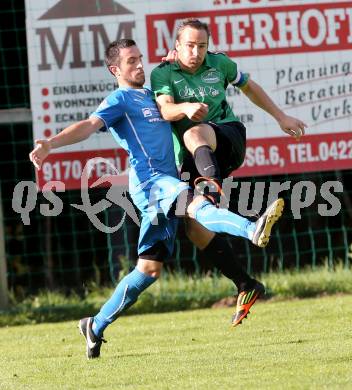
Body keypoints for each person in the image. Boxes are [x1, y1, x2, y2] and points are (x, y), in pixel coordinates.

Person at [29, 39, 284, 359]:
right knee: (197, 205)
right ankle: (251, 229)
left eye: (140, 58)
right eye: (130, 61)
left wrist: (173, 66)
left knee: (149, 269)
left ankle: (94, 324)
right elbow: (88, 126)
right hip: (152, 183)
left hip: (161, 184)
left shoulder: (153, 95)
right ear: (115, 70)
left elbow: (182, 92)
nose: (139, 65)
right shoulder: (120, 99)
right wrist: (51, 144)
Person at [151, 17, 307, 323]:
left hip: (227, 136)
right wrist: (183, 109)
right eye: (190, 46)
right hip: (196, 157)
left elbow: (249, 87)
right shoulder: (164, 72)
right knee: (195, 228)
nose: (196, 52)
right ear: (176, 47)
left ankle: (210, 191)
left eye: (201, 45)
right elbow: (164, 108)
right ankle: (246, 284)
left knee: (194, 133)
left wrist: (280, 116)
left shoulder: (219, 64)